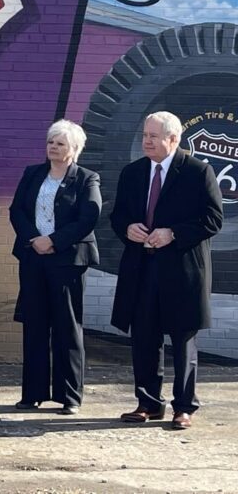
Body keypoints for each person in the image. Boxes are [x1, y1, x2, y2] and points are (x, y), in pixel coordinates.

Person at [109, 111, 223, 431]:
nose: (147, 141)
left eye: (154, 136)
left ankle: (183, 407)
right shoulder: (132, 173)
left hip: (182, 272)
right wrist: (127, 228)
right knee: (144, 337)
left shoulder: (198, 171)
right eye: (145, 135)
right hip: (142, 269)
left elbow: (213, 220)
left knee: (183, 339)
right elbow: (117, 216)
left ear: (174, 140)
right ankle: (148, 402)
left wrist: (173, 233)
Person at [9, 120, 101, 415]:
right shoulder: (33, 173)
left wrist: (54, 241)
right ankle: (32, 393)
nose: (53, 147)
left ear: (74, 149)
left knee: (67, 327)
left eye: (60, 143)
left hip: (67, 261)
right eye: (51, 141)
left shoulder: (87, 178)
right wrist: (34, 240)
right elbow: (17, 211)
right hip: (34, 258)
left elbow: (87, 218)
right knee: (35, 325)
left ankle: (69, 396)